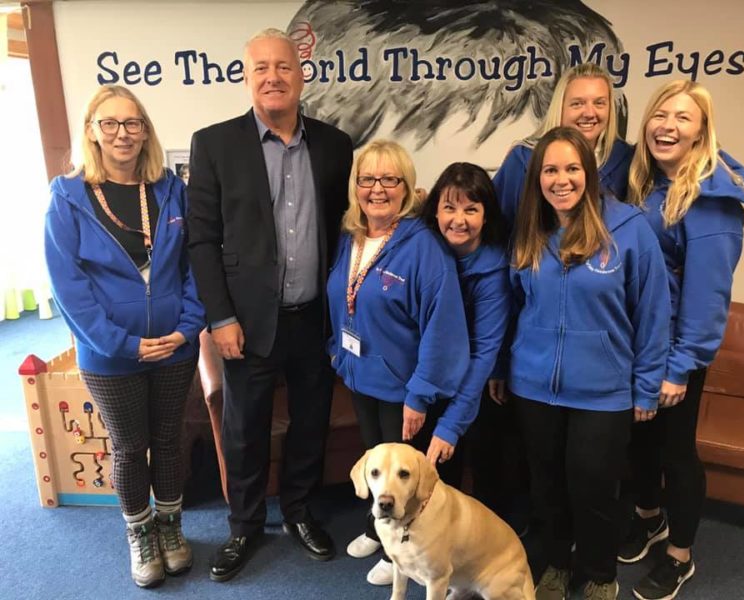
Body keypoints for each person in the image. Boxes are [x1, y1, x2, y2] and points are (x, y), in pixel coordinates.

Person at [186, 28, 353, 581]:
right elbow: (202, 240)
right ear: (247, 77)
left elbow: (340, 229)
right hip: (246, 323)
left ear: (301, 74)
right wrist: (221, 318)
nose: (273, 77)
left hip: (314, 319)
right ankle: (244, 527)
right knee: (245, 429)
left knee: (310, 422)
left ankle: (300, 513)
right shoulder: (214, 144)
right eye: (261, 68)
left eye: (283, 67)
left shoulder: (335, 145)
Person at [44, 85, 205, 588]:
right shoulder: (67, 197)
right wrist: (123, 343)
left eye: (132, 123)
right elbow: (67, 285)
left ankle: (171, 528)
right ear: (91, 131)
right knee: (130, 446)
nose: (122, 134)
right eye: (109, 123)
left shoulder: (169, 190)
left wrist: (186, 328)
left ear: (145, 131)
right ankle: (140, 533)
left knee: (170, 440)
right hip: (111, 355)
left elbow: (195, 263)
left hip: (175, 349)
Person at [500, 127, 670, 600]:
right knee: (547, 486)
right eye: (550, 170)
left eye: (572, 168)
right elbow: (514, 307)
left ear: (589, 173)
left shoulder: (628, 229)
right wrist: (502, 368)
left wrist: (646, 386)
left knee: (595, 489)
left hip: (604, 390)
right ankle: (556, 563)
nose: (561, 180)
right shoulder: (530, 231)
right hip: (534, 386)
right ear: (537, 178)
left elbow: (653, 312)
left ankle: (598, 572)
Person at [620, 80, 744, 600]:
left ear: (702, 131)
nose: (667, 126)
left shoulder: (712, 198)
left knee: (676, 451)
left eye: (683, 118)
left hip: (674, 351)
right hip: (635, 343)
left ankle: (680, 556)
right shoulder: (644, 183)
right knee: (641, 439)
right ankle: (648, 516)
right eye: (660, 114)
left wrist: (681, 366)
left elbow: (707, 294)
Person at [327, 140, 470, 586]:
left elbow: (442, 328)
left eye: (390, 179)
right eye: (367, 179)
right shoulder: (350, 236)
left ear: (407, 188)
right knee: (378, 472)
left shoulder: (423, 247)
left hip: (405, 388)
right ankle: (378, 527)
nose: (378, 189)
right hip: (360, 377)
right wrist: (337, 352)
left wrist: (420, 394)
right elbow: (340, 299)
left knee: (408, 484)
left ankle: (402, 554)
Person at [419, 162, 514, 523]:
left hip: (477, 375)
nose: (459, 219)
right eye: (450, 207)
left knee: (482, 453)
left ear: (486, 216)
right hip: (433, 373)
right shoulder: (425, 248)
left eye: (471, 209)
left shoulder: (493, 270)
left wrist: (452, 423)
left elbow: (484, 352)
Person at [493, 63, 634, 226]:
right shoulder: (524, 159)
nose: (589, 113)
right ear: (561, 107)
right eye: (577, 103)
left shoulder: (625, 160)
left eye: (599, 103)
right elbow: (495, 227)